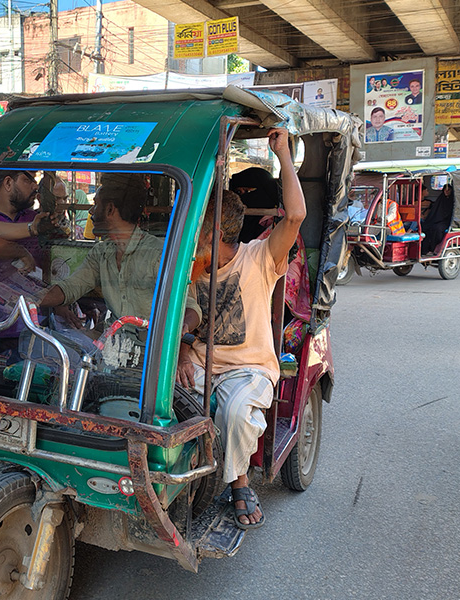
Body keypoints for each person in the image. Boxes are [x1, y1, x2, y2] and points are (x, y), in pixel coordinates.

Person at [176, 129, 305, 531]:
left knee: (233, 411)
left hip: (249, 369)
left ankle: (239, 483)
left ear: (214, 233)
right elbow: (181, 319)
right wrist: (182, 349)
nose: (193, 237)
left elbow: (296, 216)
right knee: (156, 397)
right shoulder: (190, 265)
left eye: (198, 229)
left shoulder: (260, 257)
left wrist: (283, 154)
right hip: (199, 362)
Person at [39, 173, 163, 361]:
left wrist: (181, 347)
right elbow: (71, 286)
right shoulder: (101, 252)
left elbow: (189, 309)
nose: (91, 211)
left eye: (96, 204)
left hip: (151, 355)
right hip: (112, 348)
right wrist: (30, 299)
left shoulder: (158, 253)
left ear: (110, 209)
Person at [421, 183, 455, 255]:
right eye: (445, 190)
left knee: (437, 229)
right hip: (436, 220)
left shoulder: (452, 201)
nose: (446, 192)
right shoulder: (440, 199)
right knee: (425, 227)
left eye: (448, 190)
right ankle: (425, 250)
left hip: (445, 221)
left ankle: (435, 249)